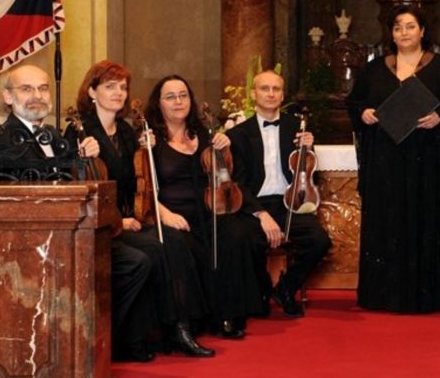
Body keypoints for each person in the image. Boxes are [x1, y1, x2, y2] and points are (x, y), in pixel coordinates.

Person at [0, 64, 160, 361]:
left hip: (68, 234)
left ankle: (101, 342)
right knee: (134, 262)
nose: (37, 96)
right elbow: (26, 199)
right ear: (8, 96)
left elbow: (71, 184)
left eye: (43, 89)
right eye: (26, 89)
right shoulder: (7, 139)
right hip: (35, 243)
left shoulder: (49, 136)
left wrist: (80, 161)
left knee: (137, 262)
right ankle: (92, 345)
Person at [66, 60, 216, 358]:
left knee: (174, 241)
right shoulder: (80, 131)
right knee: (161, 248)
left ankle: (179, 328)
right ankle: (153, 335)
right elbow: (77, 190)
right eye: (110, 87)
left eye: (123, 87)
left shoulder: (124, 131)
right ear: (92, 91)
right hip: (102, 224)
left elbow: (137, 183)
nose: (119, 93)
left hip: (129, 218)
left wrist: (143, 152)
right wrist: (80, 160)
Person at [346, 7, 440, 313]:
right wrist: (363, 112)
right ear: (391, 33)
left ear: (423, 31)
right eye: (398, 27)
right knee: (388, 224)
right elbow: (355, 101)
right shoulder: (375, 68)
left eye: (410, 26)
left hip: (430, 163)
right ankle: (384, 296)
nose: (404, 32)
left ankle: (433, 297)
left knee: (429, 222)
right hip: (386, 164)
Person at [145, 74, 267, 339]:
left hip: (208, 209)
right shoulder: (150, 141)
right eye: (170, 97)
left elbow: (227, 174)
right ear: (159, 104)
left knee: (236, 233)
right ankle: (201, 316)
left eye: (183, 95)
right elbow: (142, 187)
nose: (178, 101)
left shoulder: (204, 134)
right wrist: (164, 214)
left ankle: (229, 314)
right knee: (190, 247)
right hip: (174, 213)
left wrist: (224, 145)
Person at [228, 70, 332, 317]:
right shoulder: (238, 134)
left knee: (319, 240)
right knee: (245, 240)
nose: (271, 94)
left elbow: (309, 175)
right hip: (255, 205)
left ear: (283, 94)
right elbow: (237, 184)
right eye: (265, 88)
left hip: (290, 204)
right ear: (253, 94)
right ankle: (263, 289)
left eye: (276, 89)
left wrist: (308, 149)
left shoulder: (298, 128)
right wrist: (261, 214)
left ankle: (286, 287)